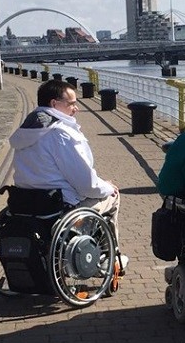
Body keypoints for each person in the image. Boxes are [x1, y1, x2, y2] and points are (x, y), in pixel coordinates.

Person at [8, 80, 128, 273]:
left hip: (26, 204)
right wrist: (107, 187)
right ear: (54, 104)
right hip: (58, 207)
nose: (76, 109)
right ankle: (109, 258)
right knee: (111, 197)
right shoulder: (60, 134)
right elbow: (86, 184)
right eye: (71, 103)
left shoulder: (27, 130)